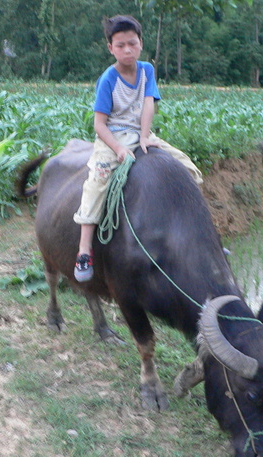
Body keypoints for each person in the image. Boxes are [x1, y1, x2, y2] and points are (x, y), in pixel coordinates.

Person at [73, 15, 203, 282]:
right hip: (112, 137)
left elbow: (148, 105)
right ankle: (84, 249)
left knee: (188, 169)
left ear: (141, 43)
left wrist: (145, 138)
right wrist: (119, 148)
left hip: (141, 133)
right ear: (110, 48)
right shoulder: (108, 79)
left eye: (132, 43)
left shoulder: (146, 71)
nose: (127, 50)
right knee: (96, 182)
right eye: (120, 45)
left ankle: (195, 233)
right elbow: (99, 124)